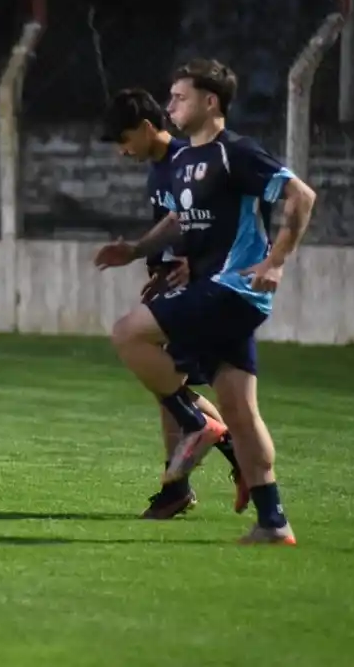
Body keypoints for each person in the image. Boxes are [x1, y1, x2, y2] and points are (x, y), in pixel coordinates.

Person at [96, 59, 316, 545]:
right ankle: (273, 521)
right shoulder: (180, 162)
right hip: (211, 288)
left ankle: (193, 422)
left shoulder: (234, 153)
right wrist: (139, 250)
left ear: (209, 102)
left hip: (233, 290)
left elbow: (301, 196)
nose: (170, 104)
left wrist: (276, 260)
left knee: (127, 333)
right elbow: (180, 222)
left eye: (180, 97)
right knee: (239, 411)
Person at [98, 88, 246, 519]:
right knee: (166, 383)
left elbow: (210, 222)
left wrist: (191, 263)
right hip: (175, 285)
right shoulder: (158, 170)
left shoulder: (188, 163)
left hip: (203, 289)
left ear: (147, 128)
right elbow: (174, 229)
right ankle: (187, 482)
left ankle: (205, 446)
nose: (124, 152)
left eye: (125, 140)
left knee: (158, 372)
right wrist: (159, 268)